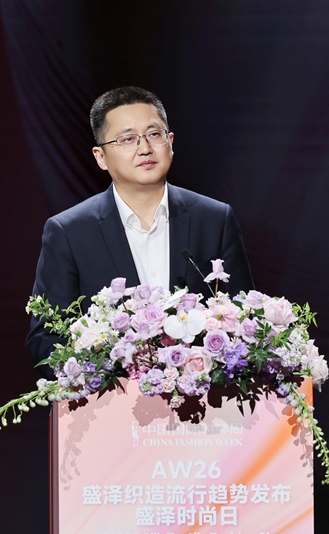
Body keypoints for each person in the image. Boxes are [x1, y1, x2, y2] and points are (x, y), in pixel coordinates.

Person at [26, 86, 255, 368]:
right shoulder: (69, 232)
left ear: (170, 142)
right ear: (100, 157)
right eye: (128, 139)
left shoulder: (214, 220)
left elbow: (246, 319)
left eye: (154, 134)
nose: (145, 148)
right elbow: (46, 339)